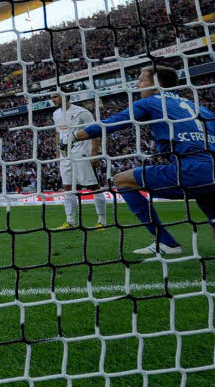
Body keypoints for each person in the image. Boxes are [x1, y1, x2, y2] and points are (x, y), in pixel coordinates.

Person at [67, 65, 215, 256]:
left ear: (157, 84)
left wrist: (73, 136)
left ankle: (166, 243)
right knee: (204, 190)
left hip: (189, 170)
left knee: (121, 180)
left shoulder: (151, 102)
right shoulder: (199, 108)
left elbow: (110, 124)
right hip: (210, 172)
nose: (137, 84)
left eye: (141, 80)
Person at [51, 92, 107, 229]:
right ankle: (70, 221)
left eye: (56, 97)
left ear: (65, 97)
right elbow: (59, 135)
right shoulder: (56, 114)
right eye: (52, 97)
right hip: (65, 156)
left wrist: (94, 153)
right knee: (67, 187)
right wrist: (59, 155)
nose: (53, 100)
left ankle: (102, 220)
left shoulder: (82, 112)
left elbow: (95, 132)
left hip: (82, 153)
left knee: (93, 186)